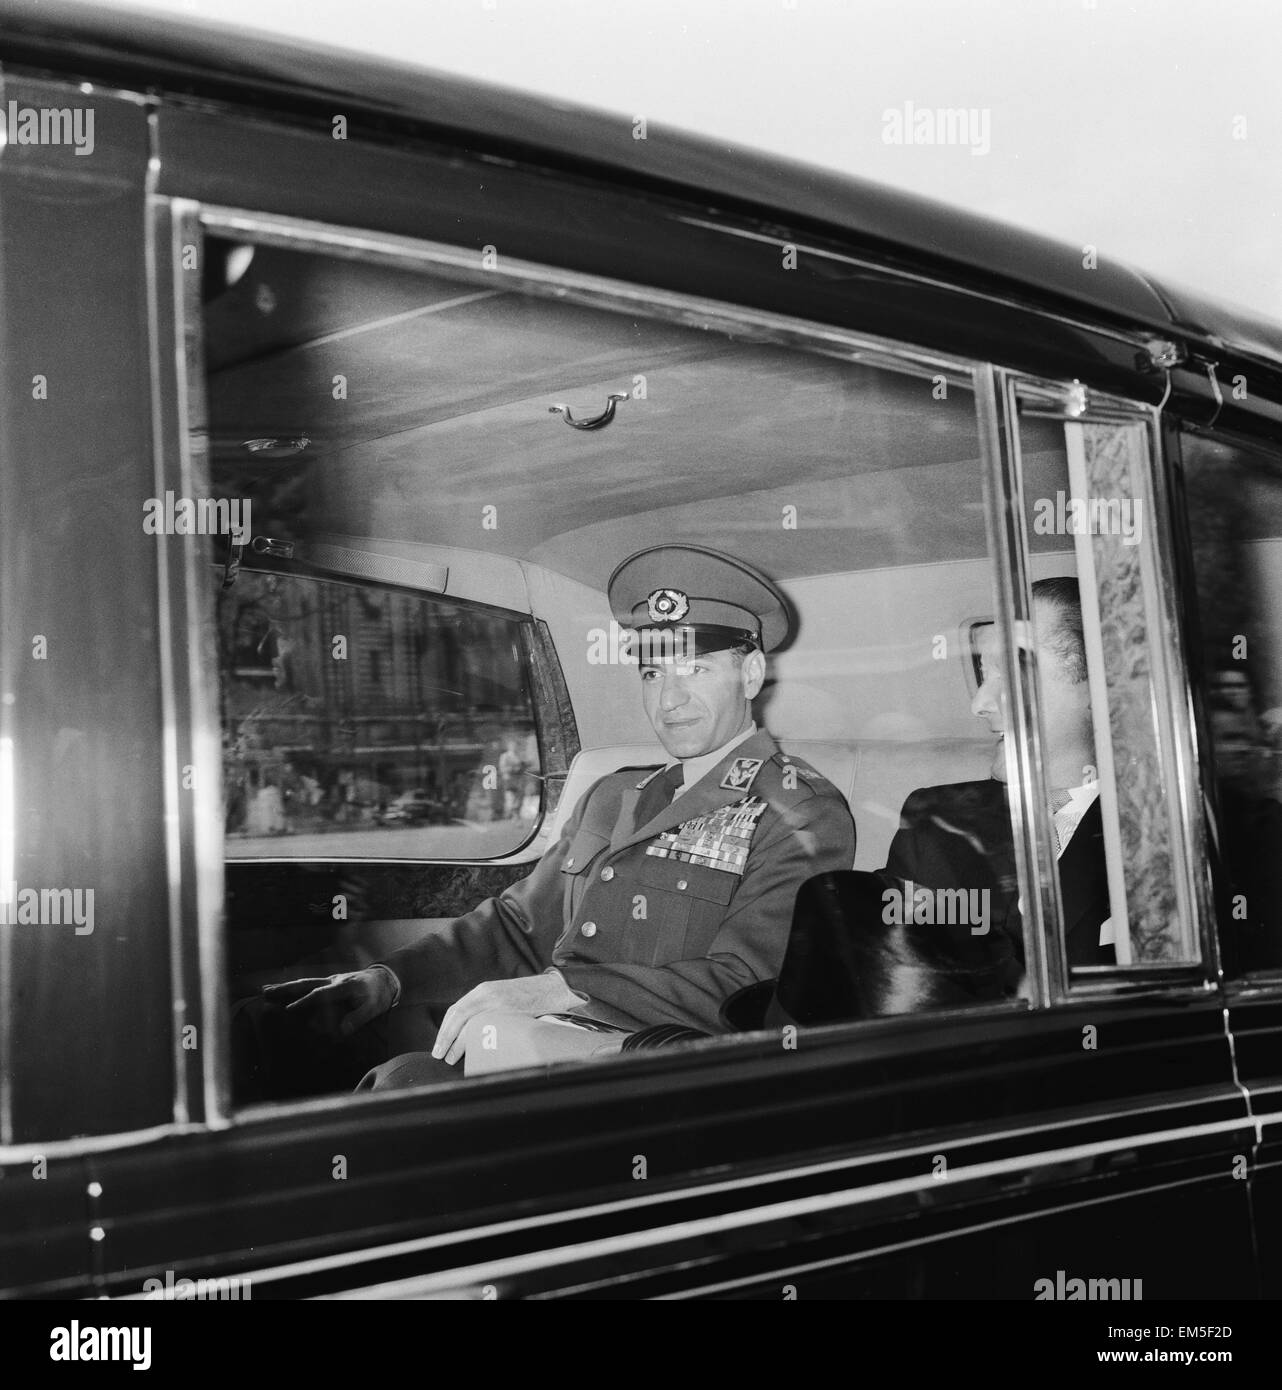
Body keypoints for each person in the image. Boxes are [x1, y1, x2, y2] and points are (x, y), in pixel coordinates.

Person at [255, 544, 856, 1089]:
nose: (670, 699)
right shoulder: (615, 795)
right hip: (531, 1042)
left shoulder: (799, 812)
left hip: (644, 1071)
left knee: (398, 1088)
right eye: (653, 673)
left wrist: (561, 987)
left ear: (750, 674)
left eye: (695, 669)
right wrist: (389, 981)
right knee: (276, 1032)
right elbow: (518, 925)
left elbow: (750, 983)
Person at [724, 576, 1112, 1031]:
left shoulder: (1165, 835)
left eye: (1014, 672)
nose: (980, 703)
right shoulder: (938, 817)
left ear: (1103, 687)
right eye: (985, 675)